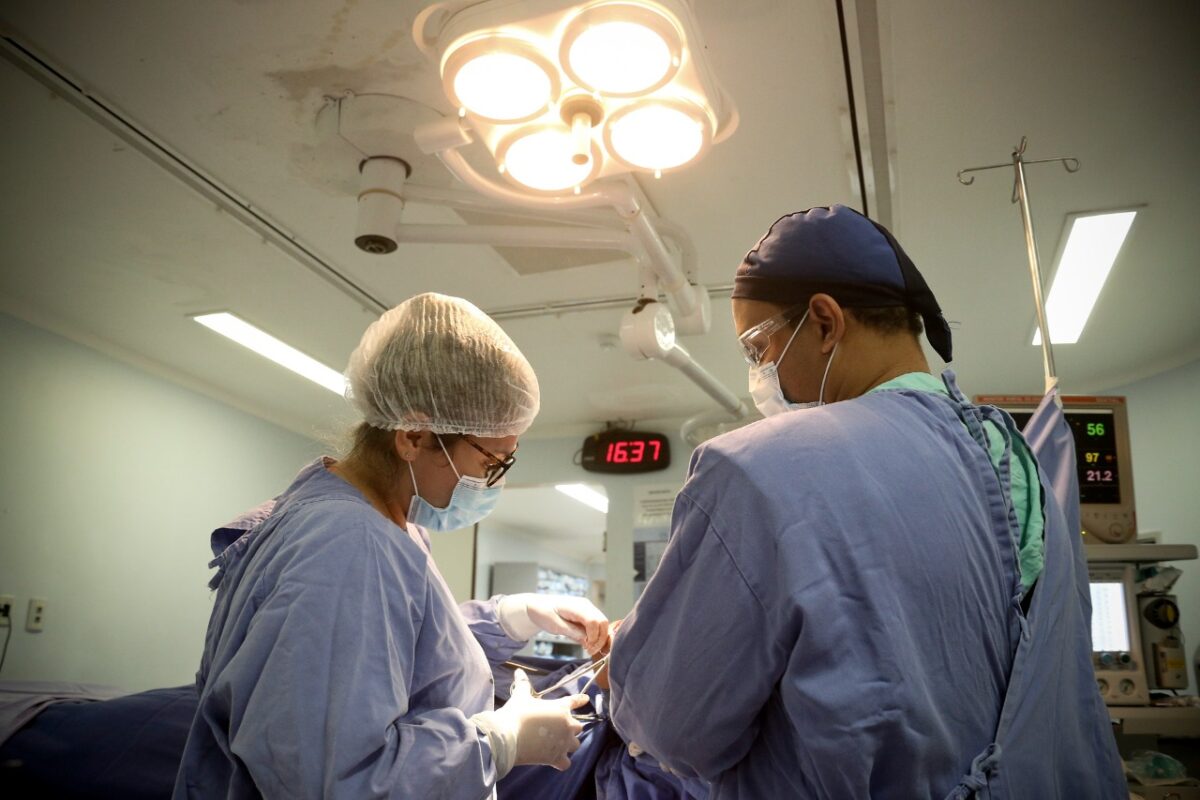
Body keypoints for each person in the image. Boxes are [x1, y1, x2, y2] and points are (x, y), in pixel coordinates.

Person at [606, 206, 1126, 798]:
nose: (761, 375)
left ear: (825, 322)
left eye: (759, 348)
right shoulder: (1020, 461)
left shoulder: (757, 472)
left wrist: (635, 655)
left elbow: (670, 724)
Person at [174, 292, 610, 799]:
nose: (492, 482)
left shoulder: (382, 522)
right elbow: (335, 780)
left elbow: (396, 651)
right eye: (490, 461)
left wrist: (512, 617)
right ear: (413, 436)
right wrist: (500, 741)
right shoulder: (347, 545)